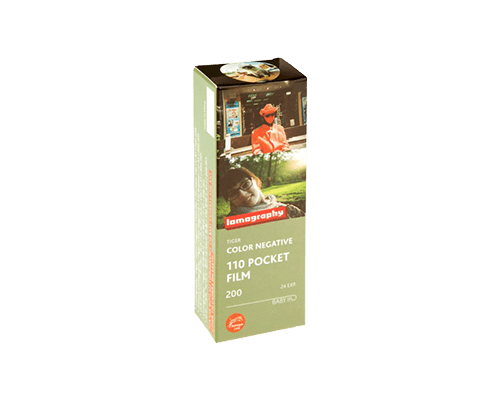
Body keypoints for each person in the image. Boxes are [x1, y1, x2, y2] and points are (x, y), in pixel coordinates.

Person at [221, 168, 305, 218]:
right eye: (233, 193)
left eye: (245, 184)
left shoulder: (290, 210)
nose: (242, 195)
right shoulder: (232, 223)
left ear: (255, 181)